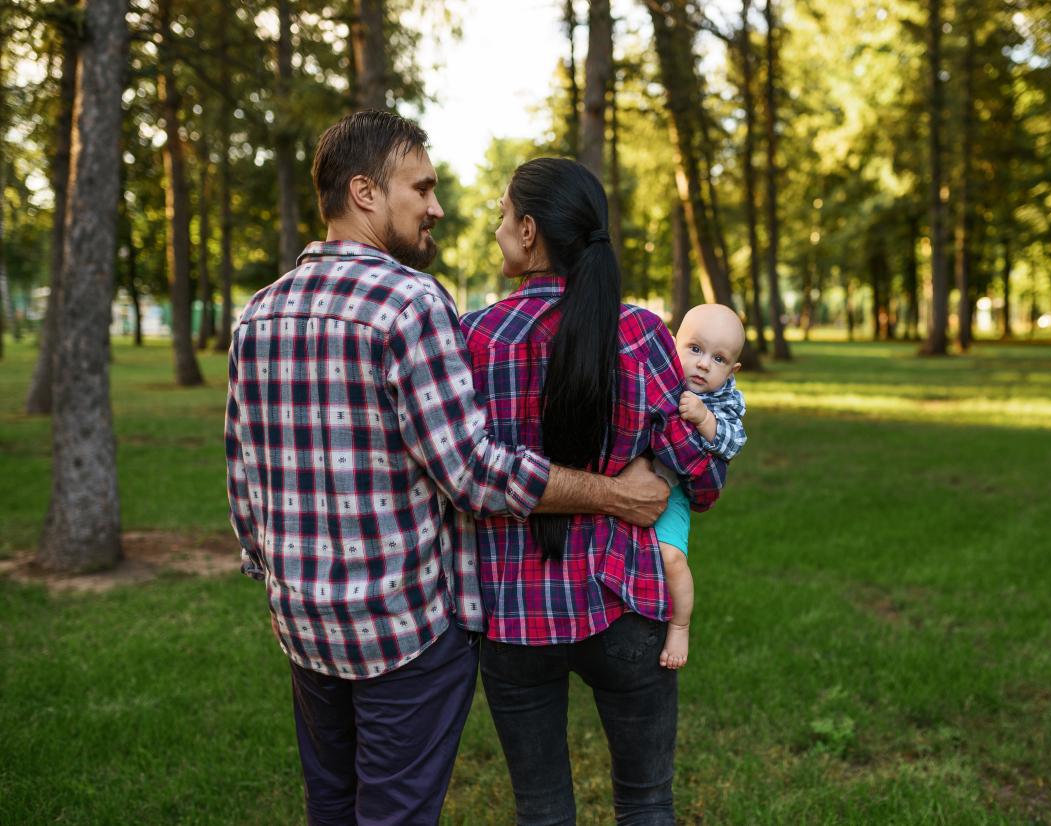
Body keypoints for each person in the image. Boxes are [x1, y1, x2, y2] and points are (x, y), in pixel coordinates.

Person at [224, 112, 669, 826]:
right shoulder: (408, 302)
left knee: (331, 808)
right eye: (421, 188)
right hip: (403, 633)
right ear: (365, 192)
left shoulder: (259, 314)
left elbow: (243, 479)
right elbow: (472, 475)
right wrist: (615, 494)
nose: (436, 206)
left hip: (303, 626)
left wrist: (280, 581)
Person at [460, 157, 729, 825]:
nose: (496, 230)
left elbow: (463, 476)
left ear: (528, 231)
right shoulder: (640, 336)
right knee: (645, 804)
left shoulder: (474, 339)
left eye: (500, 215)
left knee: (542, 811)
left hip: (514, 618)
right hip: (626, 603)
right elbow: (702, 479)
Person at [653, 303, 747, 670]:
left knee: (671, 557)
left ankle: (680, 625)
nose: (704, 364)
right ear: (674, 343)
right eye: (695, 349)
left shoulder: (722, 399)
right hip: (631, 475)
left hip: (673, 490)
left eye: (719, 359)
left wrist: (705, 419)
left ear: (733, 370)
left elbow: (734, 442)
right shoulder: (661, 376)